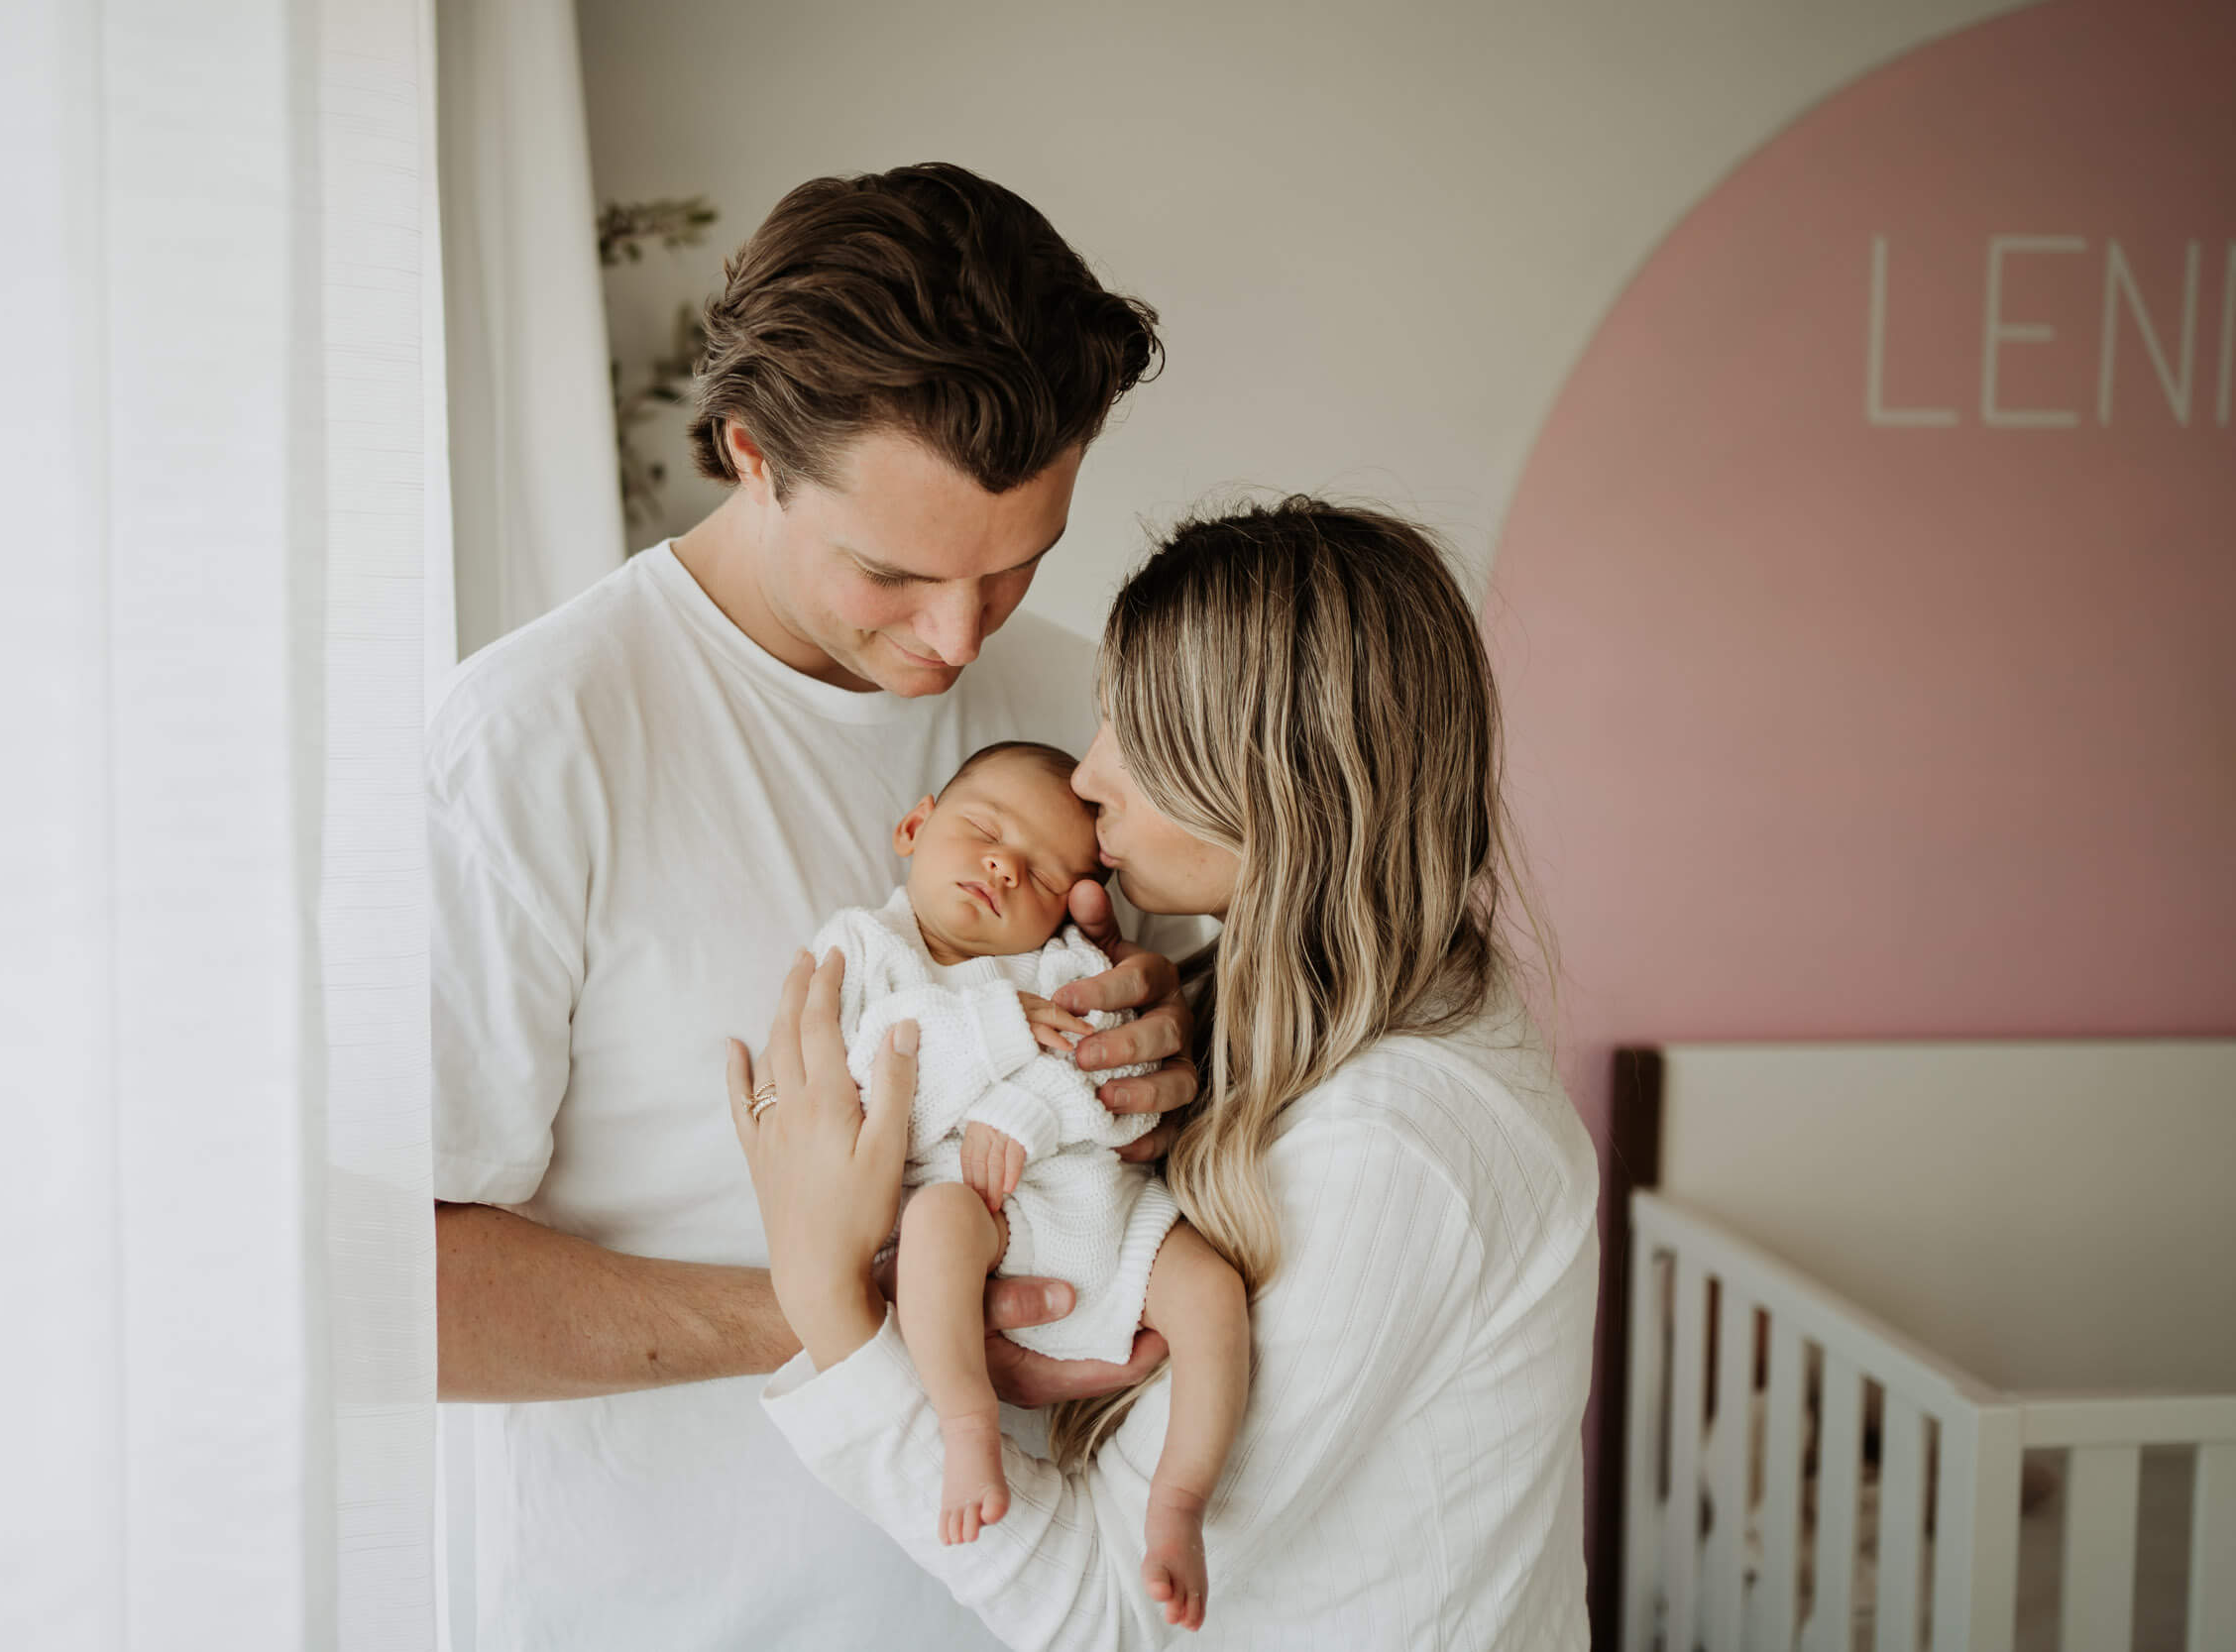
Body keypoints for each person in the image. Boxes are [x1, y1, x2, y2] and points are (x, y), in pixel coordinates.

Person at [428, 163, 1202, 1652]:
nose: (957, 635)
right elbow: (398, 1285)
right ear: (749, 453)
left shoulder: (1076, 709)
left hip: (1039, 1601)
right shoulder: (532, 739)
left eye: (1016, 559)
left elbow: (1142, 1143)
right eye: (893, 571)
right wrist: (847, 1313)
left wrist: (1161, 1058)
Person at [730, 498, 1601, 1648]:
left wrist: (826, 1299)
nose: (1088, 780)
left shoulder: (1397, 1147)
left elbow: (1112, 1606)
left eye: (1130, 735)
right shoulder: (1316, 1018)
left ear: (1275, 787)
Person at [804, 739, 1250, 1625]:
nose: (1006, 866)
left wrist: (1036, 1110)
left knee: (1214, 1294)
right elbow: (875, 1070)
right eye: (982, 831)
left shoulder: (1065, 966)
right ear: (914, 826)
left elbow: (1121, 1095)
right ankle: (968, 1431)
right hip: (975, 1214)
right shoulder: (865, 948)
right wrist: (1001, 1024)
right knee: (933, 1228)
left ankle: (1180, 1501)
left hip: (1097, 1206)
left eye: (1045, 875)